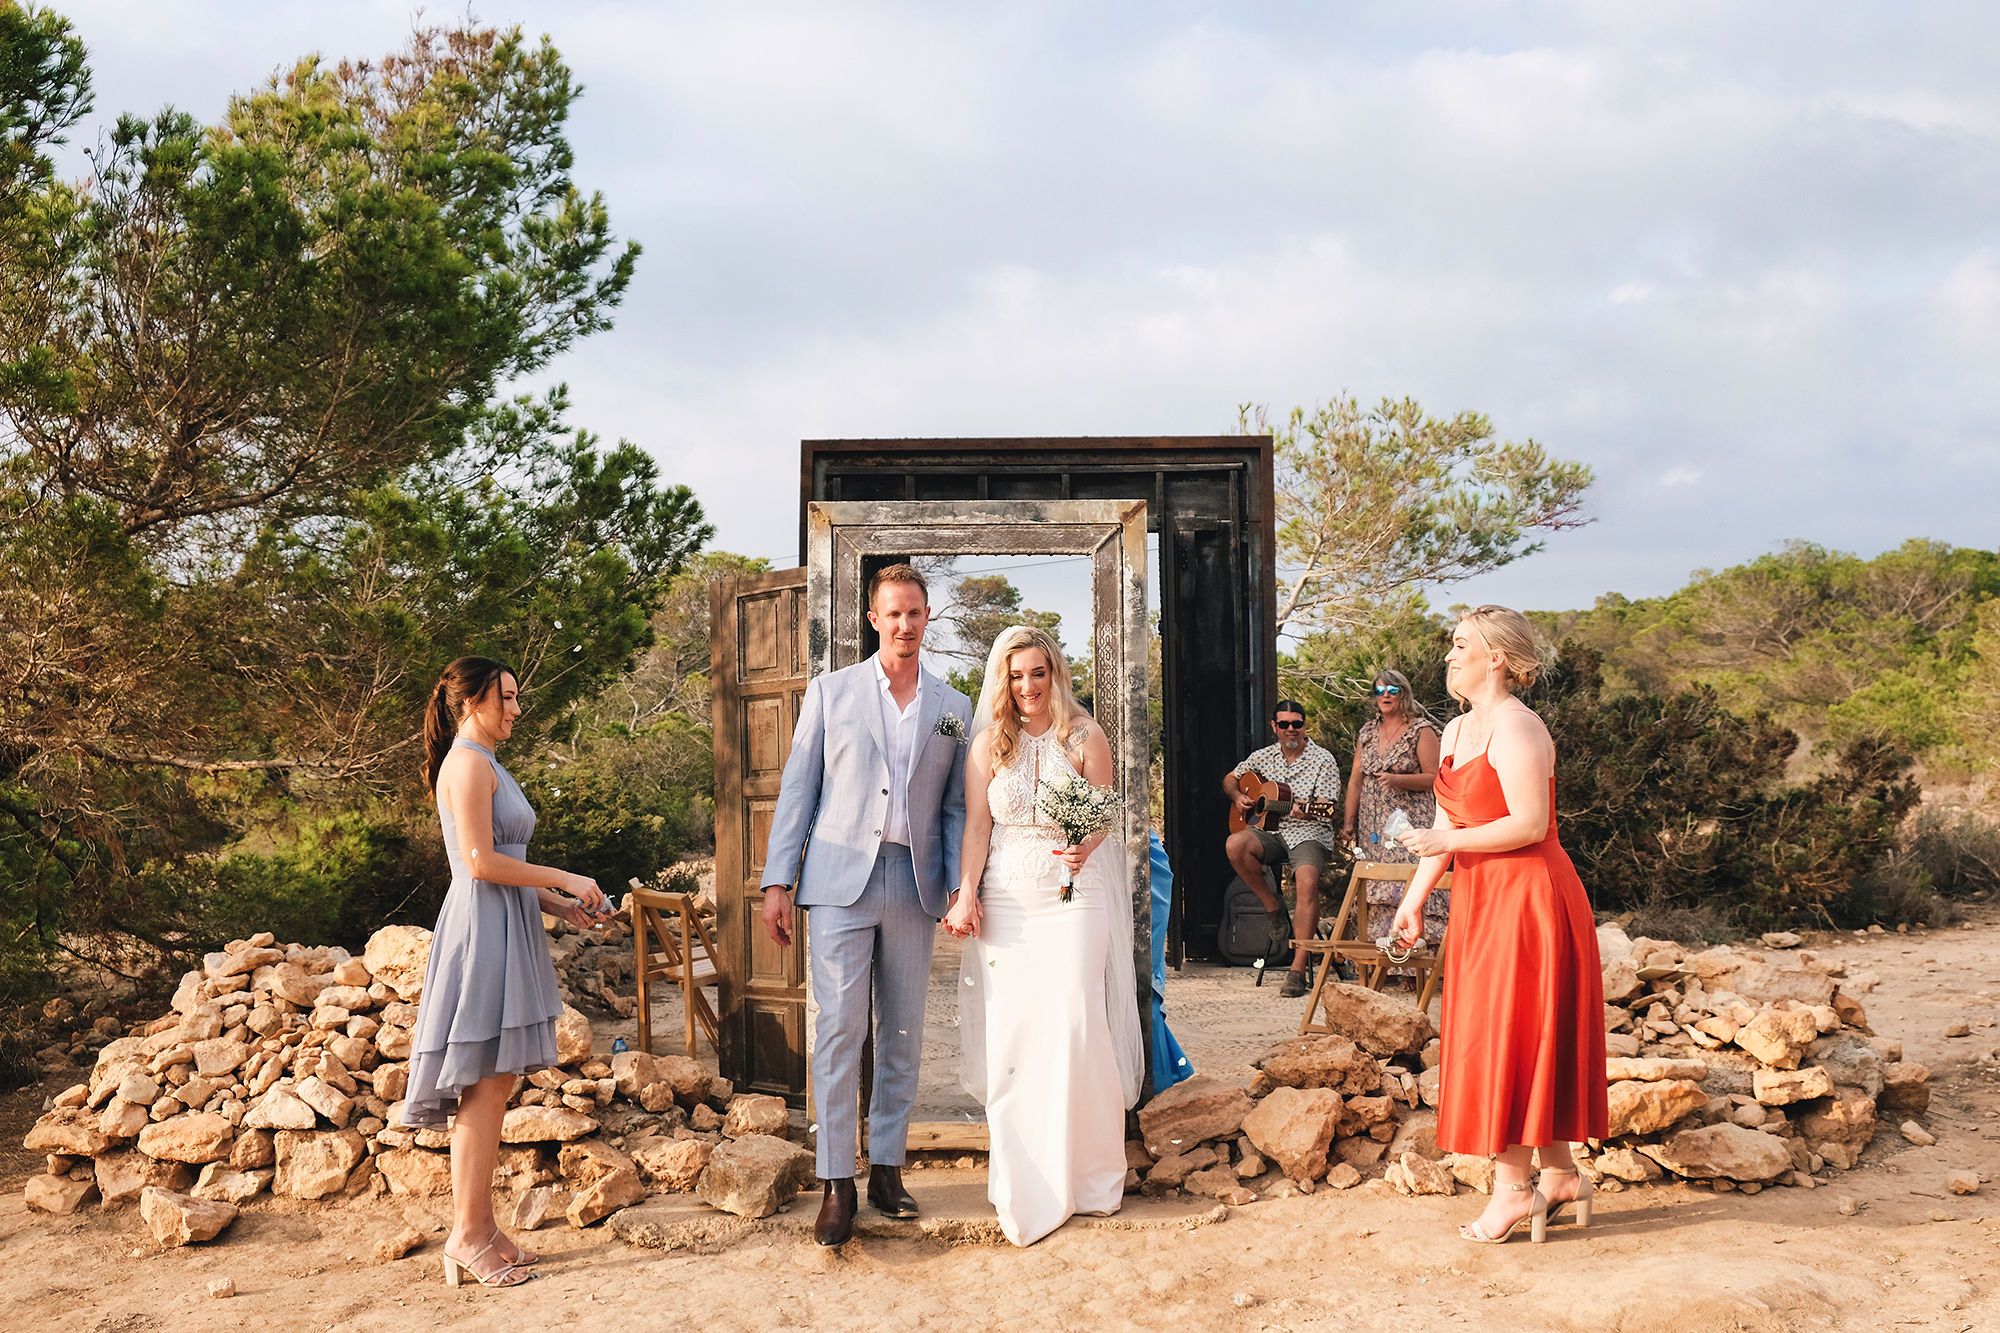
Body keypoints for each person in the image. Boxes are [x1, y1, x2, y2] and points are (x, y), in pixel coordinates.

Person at [760, 564, 971, 1247]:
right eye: (893, 613)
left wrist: (958, 886)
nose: (905, 624)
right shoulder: (832, 692)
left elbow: (956, 807)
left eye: (915, 612)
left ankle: (886, 1168)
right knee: (839, 1029)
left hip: (914, 882)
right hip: (837, 882)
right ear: (874, 619)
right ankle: (835, 1182)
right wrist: (777, 882)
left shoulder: (953, 706)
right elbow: (799, 789)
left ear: (928, 617)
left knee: (903, 1031)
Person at [1391, 606, 1608, 1244]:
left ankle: (1514, 1190)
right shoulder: (1456, 732)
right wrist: (1414, 899)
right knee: (1516, 1031)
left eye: (1461, 645)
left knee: (1512, 1033)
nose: (1449, 655)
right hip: (1484, 899)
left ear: (1498, 658)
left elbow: (1530, 823)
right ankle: (1560, 1175)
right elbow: (1448, 827)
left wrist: (1444, 841)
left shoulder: (1519, 727)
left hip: (1531, 897)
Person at [403, 657, 613, 1289]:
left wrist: (561, 907)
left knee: (495, 1081)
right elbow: (479, 863)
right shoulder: (467, 763)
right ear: (472, 702)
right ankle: (466, 1236)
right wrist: (565, 877)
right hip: (481, 932)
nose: (518, 709)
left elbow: (506, 861)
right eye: (508, 698)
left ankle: (484, 1229)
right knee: (482, 1082)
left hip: (507, 923)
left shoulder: (488, 762)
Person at [945, 625, 1143, 1246]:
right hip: (1007, 899)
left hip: (1073, 895)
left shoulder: (1085, 736)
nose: (1027, 686)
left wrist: (1086, 844)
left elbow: (1105, 813)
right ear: (1002, 681)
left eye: (1038, 673)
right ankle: (1025, 1184)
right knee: (1016, 1034)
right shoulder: (987, 745)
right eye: (1016, 676)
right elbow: (977, 828)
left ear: (1055, 673)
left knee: (1077, 1021)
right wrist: (967, 892)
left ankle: (1088, 1177)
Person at [1223, 700, 1344, 998]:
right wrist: (1238, 797)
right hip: (1271, 832)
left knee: (1307, 882)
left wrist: (1306, 812)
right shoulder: (1262, 757)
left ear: (1304, 725)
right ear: (1274, 727)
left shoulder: (1323, 760)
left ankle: (1297, 969)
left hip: (1309, 832)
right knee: (1235, 844)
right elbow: (1230, 779)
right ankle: (1273, 907)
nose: (1291, 729)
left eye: (1297, 724)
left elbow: (1327, 808)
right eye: (1284, 724)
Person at [1341, 668, 1443, 951]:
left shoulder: (1421, 730)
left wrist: (1399, 779)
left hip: (1410, 823)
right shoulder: (1367, 732)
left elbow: (1436, 778)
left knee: (1410, 884)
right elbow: (1355, 780)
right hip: (1373, 826)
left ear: (1403, 694)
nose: (1385, 695)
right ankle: (1382, 959)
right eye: (1379, 690)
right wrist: (1349, 821)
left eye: (1392, 690)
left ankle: (1415, 960)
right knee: (1376, 887)